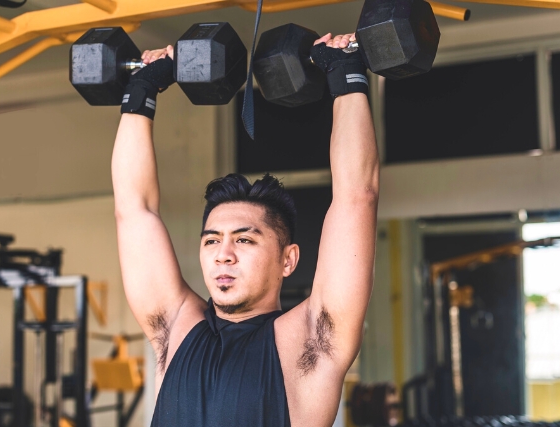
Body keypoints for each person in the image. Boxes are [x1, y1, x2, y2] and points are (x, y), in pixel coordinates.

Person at [112, 31, 378, 427]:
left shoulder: (310, 342)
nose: (224, 253)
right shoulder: (175, 328)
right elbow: (134, 211)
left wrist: (346, 73)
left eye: (244, 239)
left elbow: (357, 197)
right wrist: (142, 89)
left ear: (288, 259)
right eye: (212, 240)